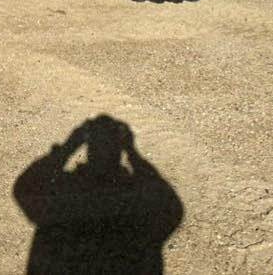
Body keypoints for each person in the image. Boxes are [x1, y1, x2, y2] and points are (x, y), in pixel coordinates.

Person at [13, 115, 184, 274]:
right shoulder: (136, 200)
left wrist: (68, 147)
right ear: (119, 151)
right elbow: (171, 206)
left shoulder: (65, 192)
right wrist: (133, 154)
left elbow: (25, 187)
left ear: (89, 149)